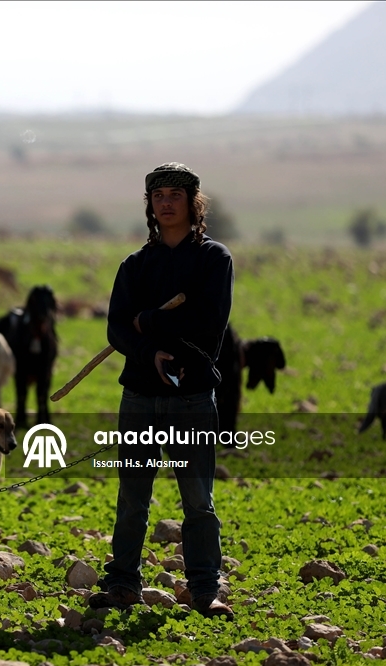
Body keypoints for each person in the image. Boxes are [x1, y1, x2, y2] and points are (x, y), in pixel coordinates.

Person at [91, 162, 234, 619]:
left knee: (198, 500)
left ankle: (205, 589)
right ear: (150, 206)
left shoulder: (214, 260)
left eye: (175, 194)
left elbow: (209, 325)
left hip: (192, 398)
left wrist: (149, 322)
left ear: (194, 203)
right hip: (138, 397)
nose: (166, 203)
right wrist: (148, 351)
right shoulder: (135, 265)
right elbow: (117, 328)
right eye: (158, 196)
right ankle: (123, 585)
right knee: (132, 497)